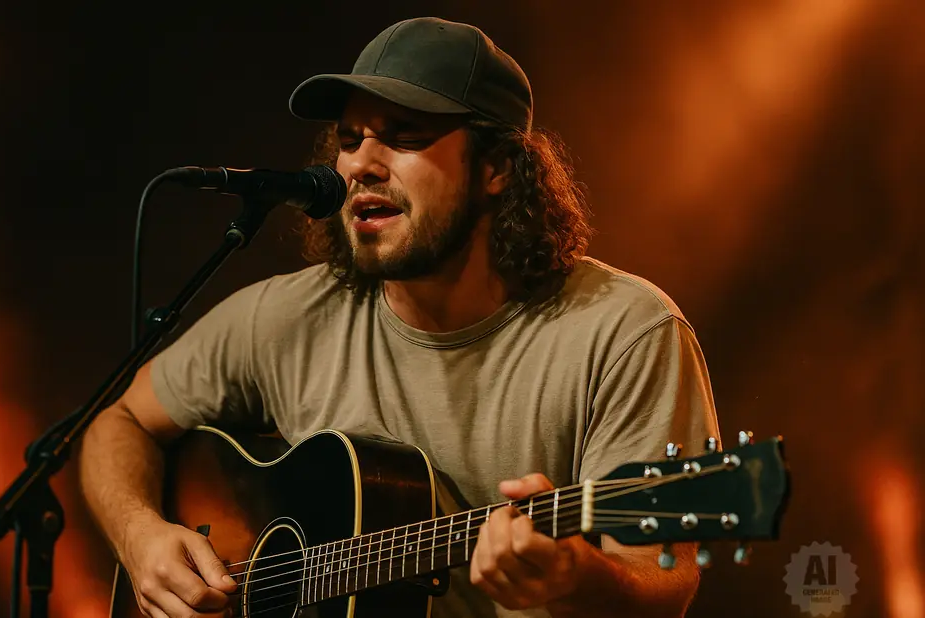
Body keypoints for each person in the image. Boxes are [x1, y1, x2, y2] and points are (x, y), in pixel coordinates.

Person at [79, 16, 721, 618]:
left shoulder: (624, 332)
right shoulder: (290, 315)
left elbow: (662, 580)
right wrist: (140, 536)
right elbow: (120, 420)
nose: (360, 164)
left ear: (497, 167)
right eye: (351, 139)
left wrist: (574, 577)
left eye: (404, 135)